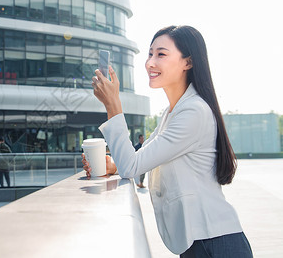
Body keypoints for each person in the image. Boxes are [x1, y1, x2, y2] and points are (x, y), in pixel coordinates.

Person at [83, 26, 253, 257]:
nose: (150, 62)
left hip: (216, 242)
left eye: (161, 54)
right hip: (200, 242)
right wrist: (112, 165)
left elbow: (131, 167)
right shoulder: (172, 113)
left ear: (188, 62)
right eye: (150, 53)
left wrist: (113, 104)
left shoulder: (194, 111)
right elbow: (137, 160)